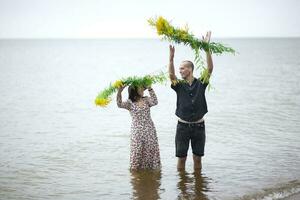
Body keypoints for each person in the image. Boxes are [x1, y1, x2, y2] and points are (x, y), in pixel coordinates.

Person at [169, 31, 213, 171]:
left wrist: (206, 48)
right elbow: (171, 75)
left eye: (182, 68)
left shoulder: (201, 83)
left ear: (190, 69)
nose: (180, 71)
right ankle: (182, 191)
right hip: (182, 127)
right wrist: (171, 59)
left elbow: (210, 69)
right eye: (179, 68)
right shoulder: (179, 86)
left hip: (199, 127)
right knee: (181, 159)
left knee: (197, 159)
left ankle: (198, 191)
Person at [117, 85, 161, 170]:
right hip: (137, 131)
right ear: (135, 91)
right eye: (140, 88)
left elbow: (155, 102)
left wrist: (150, 88)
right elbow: (119, 104)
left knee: (151, 150)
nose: (142, 89)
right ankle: (136, 173)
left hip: (149, 129)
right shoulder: (129, 103)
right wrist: (119, 91)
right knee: (136, 152)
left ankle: (150, 173)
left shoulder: (146, 99)